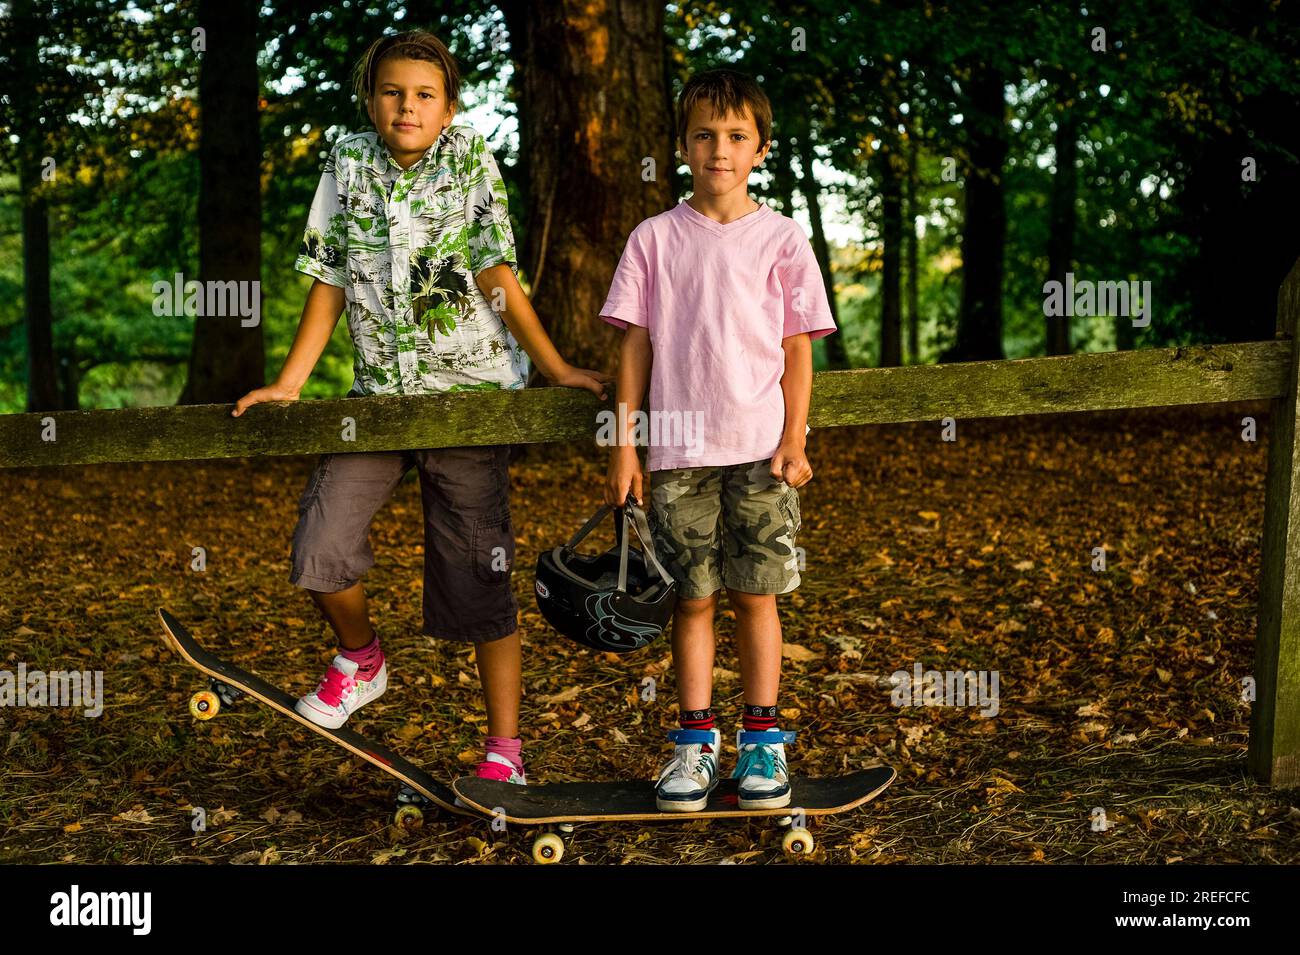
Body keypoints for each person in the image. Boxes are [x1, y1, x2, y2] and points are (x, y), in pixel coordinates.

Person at [232, 29, 611, 784]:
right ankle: (361, 658)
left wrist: (556, 364)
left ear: (449, 106)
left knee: (477, 576)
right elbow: (331, 277)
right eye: (393, 91)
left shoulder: (469, 157)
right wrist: (291, 381)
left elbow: (493, 269)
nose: (407, 105)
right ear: (371, 98)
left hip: (467, 401)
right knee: (320, 548)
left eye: (424, 95)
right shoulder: (346, 161)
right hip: (375, 400)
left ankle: (506, 750)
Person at [601, 68, 836, 811]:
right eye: (704, 134)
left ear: (761, 148)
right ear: (683, 145)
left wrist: (795, 439)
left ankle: (763, 742)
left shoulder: (782, 238)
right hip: (676, 455)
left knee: (756, 596)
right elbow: (634, 345)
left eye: (736, 136)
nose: (719, 149)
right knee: (693, 600)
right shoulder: (655, 238)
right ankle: (694, 745)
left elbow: (799, 348)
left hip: (763, 452)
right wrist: (624, 444)